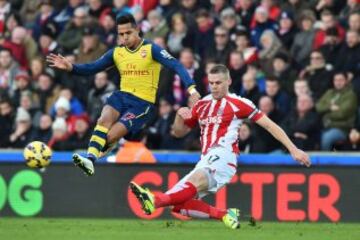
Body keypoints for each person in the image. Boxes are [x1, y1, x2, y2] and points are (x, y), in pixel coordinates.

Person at [129, 65, 311, 230]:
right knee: (177, 205)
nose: (214, 86)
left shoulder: (240, 103)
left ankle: (153, 200)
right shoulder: (202, 105)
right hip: (206, 158)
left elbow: (270, 125)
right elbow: (178, 133)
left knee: (194, 181)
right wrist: (179, 115)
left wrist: (293, 149)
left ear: (229, 81)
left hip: (224, 155)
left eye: (218, 82)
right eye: (211, 83)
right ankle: (224, 215)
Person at [46, 13, 201, 176]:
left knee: (113, 134)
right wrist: (71, 67)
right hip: (121, 96)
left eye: (128, 33)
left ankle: (99, 151)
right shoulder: (117, 53)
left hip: (142, 103)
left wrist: (191, 89)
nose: (125, 37)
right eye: (121, 34)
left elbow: (176, 65)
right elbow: (92, 68)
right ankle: (90, 159)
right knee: (103, 119)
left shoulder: (150, 49)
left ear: (137, 30)